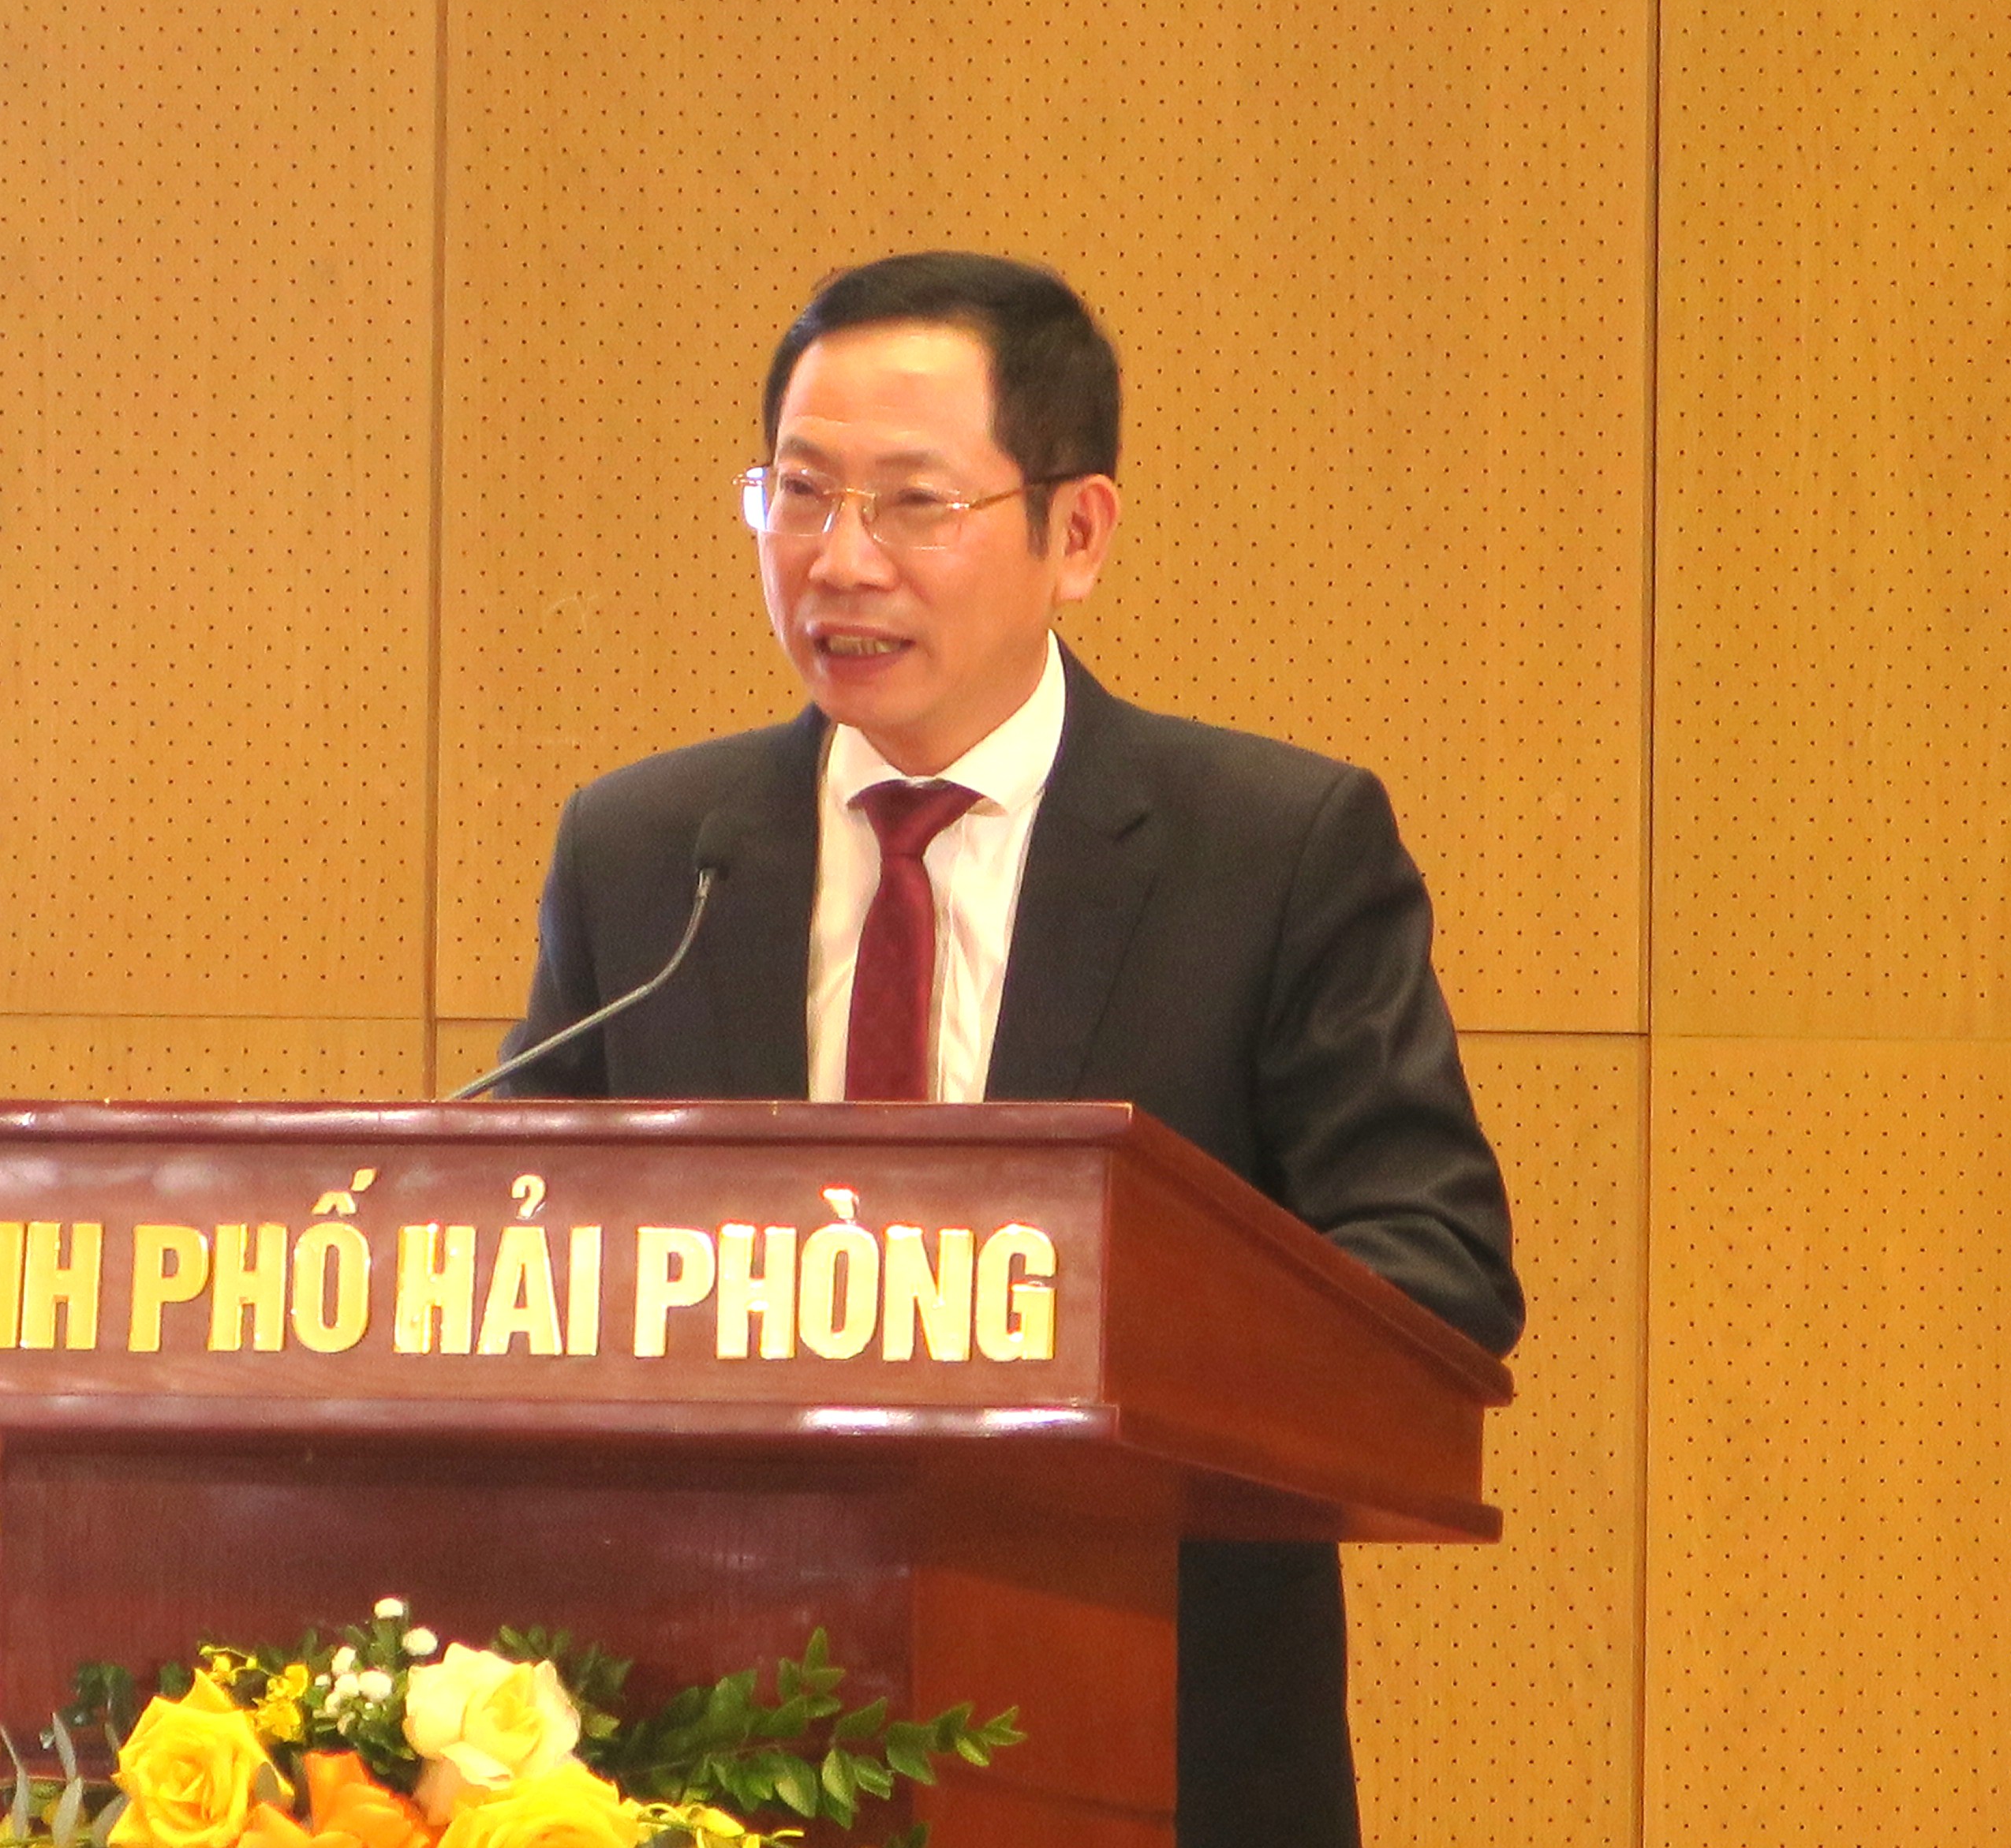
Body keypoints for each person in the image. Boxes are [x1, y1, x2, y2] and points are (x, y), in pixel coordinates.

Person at [499, 250, 1522, 1848]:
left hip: (1152, 1749)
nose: (841, 560)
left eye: (915, 504)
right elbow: (497, 1242)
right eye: (799, 493)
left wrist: (1051, 1328)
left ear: (1078, 535)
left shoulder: (1271, 852)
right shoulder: (647, 856)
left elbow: (1433, 1272)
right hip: (697, 1756)